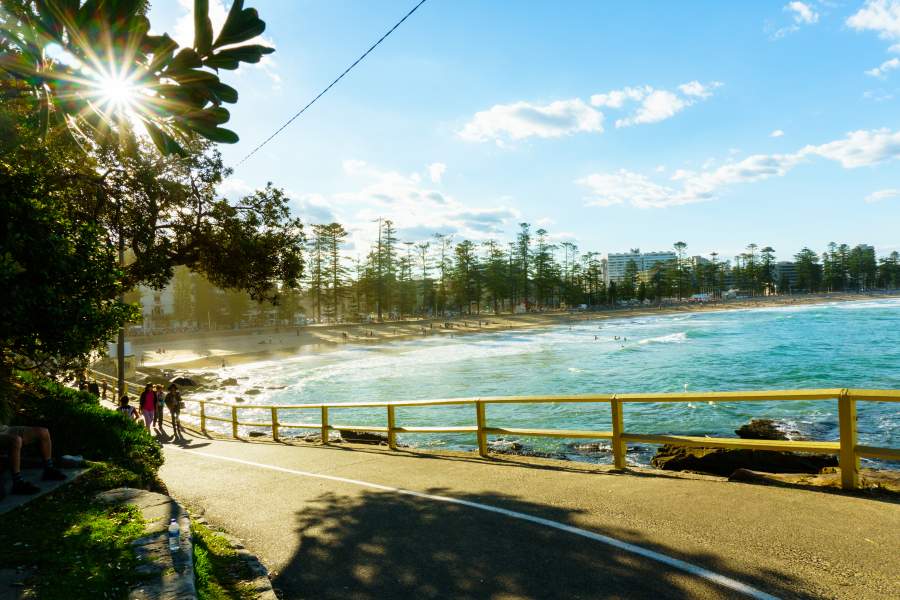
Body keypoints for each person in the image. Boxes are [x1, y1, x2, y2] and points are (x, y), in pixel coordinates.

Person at [0, 424, 66, 497]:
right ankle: (17, 482)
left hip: (4, 429)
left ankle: (49, 469)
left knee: (43, 432)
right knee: (16, 440)